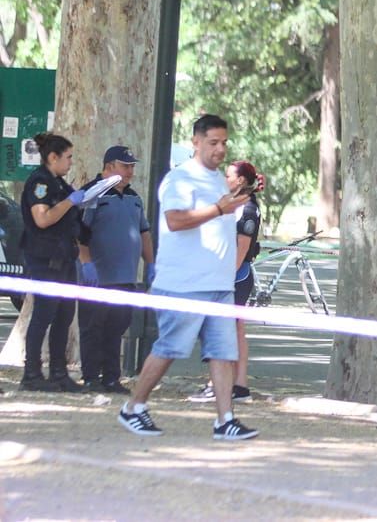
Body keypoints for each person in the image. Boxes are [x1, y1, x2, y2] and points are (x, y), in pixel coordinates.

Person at [117, 114, 259, 440]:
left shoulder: (219, 181)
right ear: (196, 142)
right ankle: (133, 407)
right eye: (213, 142)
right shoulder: (179, 179)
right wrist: (218, 210)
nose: (220, 149)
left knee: (223, 352)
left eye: (224, 142)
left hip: (219, 285)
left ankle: (225, 420)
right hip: (184, 285)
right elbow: (176, 220)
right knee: (169, 348)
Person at [77, 145, 155, 394]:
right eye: (125, 165)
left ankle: (111, 377)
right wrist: (87, 264)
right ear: (109, 166)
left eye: (132, 166)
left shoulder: (134, 198)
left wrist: (151, 263)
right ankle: (91, 377)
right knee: (93, 327)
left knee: (117, 327)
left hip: (125, 277)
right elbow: (79, 234)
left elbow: (144, 232)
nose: (130, 171)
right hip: (97, 278)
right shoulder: (91, 194)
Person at [189, 160, 264, 403]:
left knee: (223, 331)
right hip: (230, 275)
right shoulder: (235, 204)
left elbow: (240, 252)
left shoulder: (248, 210)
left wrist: (220, 279)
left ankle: (221, 384)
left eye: (229, 175)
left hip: (235, 277)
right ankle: (238, 386)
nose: (225, 178)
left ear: (241, 180)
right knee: (235, 330)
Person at [19, 132, 87, 392]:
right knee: (44, 313)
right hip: (44, 259)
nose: (71, 162)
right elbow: (42, 219)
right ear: (52, 157)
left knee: (64, 313)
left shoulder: (59, 183)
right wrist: (70, 202)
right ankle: (32, 373)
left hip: (64, 257)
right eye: (68, 157)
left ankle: (58, 372)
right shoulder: (41, 182)